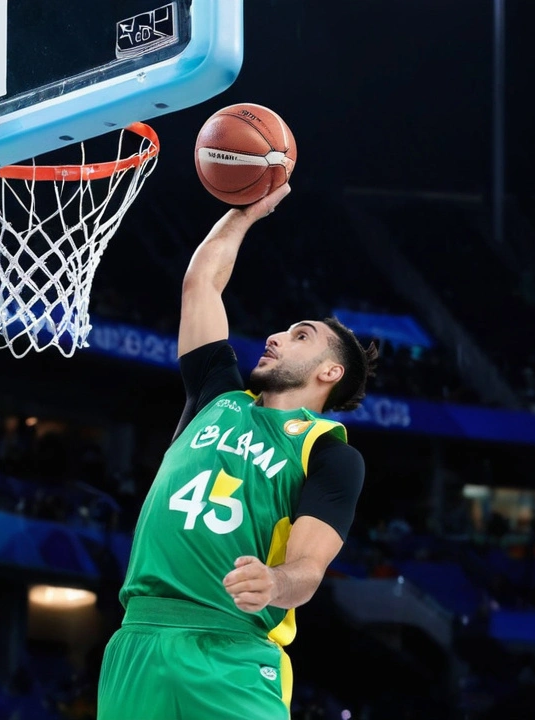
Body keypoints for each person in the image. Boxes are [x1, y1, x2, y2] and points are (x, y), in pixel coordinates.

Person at [97, 184, 375, 719]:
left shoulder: (330, 455)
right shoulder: (215, 393)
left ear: (330, 371)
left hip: (232, 648)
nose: (274, 336)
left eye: (300, 335)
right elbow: (202, 283)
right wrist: (243, 213)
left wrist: (275, 582)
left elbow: (308, 571)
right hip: (138, 637)